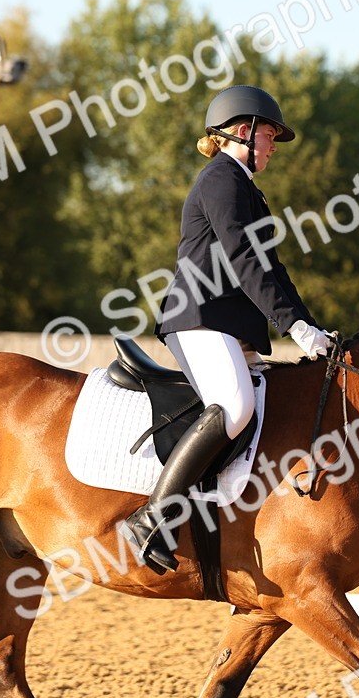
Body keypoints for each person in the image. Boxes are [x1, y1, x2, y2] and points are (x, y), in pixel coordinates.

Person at [120, 84, 333, 574]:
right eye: (270, 136)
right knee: (235, 407)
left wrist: (309, 326)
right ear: (244, 131)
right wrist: (293, 325)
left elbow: (272, 268)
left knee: (268, 403)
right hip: (200, 318)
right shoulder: (221, 179)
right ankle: (153, 515)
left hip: (228, 324)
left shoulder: (243, 186)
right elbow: (242, 260)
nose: (274, 145)